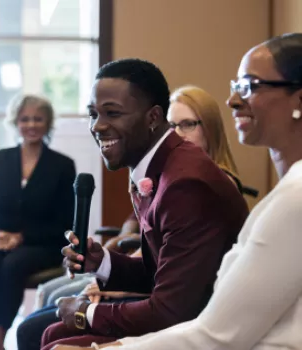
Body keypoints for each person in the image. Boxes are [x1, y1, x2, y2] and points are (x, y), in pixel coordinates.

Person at [53, 32, 302, 350]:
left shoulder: (287, 198)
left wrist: (92, 325)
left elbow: (213, 334)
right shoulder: (288, 192)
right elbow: (170, 276)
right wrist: (102, 263)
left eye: (251, 86)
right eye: (235, 86)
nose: (233, 100)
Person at [40, 58, 249, 349]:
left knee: (53, 341)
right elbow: (161, 273)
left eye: (112, 113)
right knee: (52, 333)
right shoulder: (160, 165)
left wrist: (85, 312)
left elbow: (171, 311)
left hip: (204, 331)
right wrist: (101, 263)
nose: (98, 126)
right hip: (183, 315)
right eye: (93, 114)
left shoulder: (186, 184)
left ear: (152, 118)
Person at [0, 94, 76, 350]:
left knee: (13, 264)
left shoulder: (62, 165)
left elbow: (64, 221)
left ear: (48, 123)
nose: (31, 124)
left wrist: (21, 238)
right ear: (15, 122)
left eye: (38, 119)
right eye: (25, 119)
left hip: (41, 244)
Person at [17, 213, 140, 350]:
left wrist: (116, 283)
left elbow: (160, 287)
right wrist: (102, 261)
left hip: (140, 296)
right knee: (47, 304)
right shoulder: (147, 197)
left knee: (32, 331)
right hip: (132, 277)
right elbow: (133, 219)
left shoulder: (165, 201)